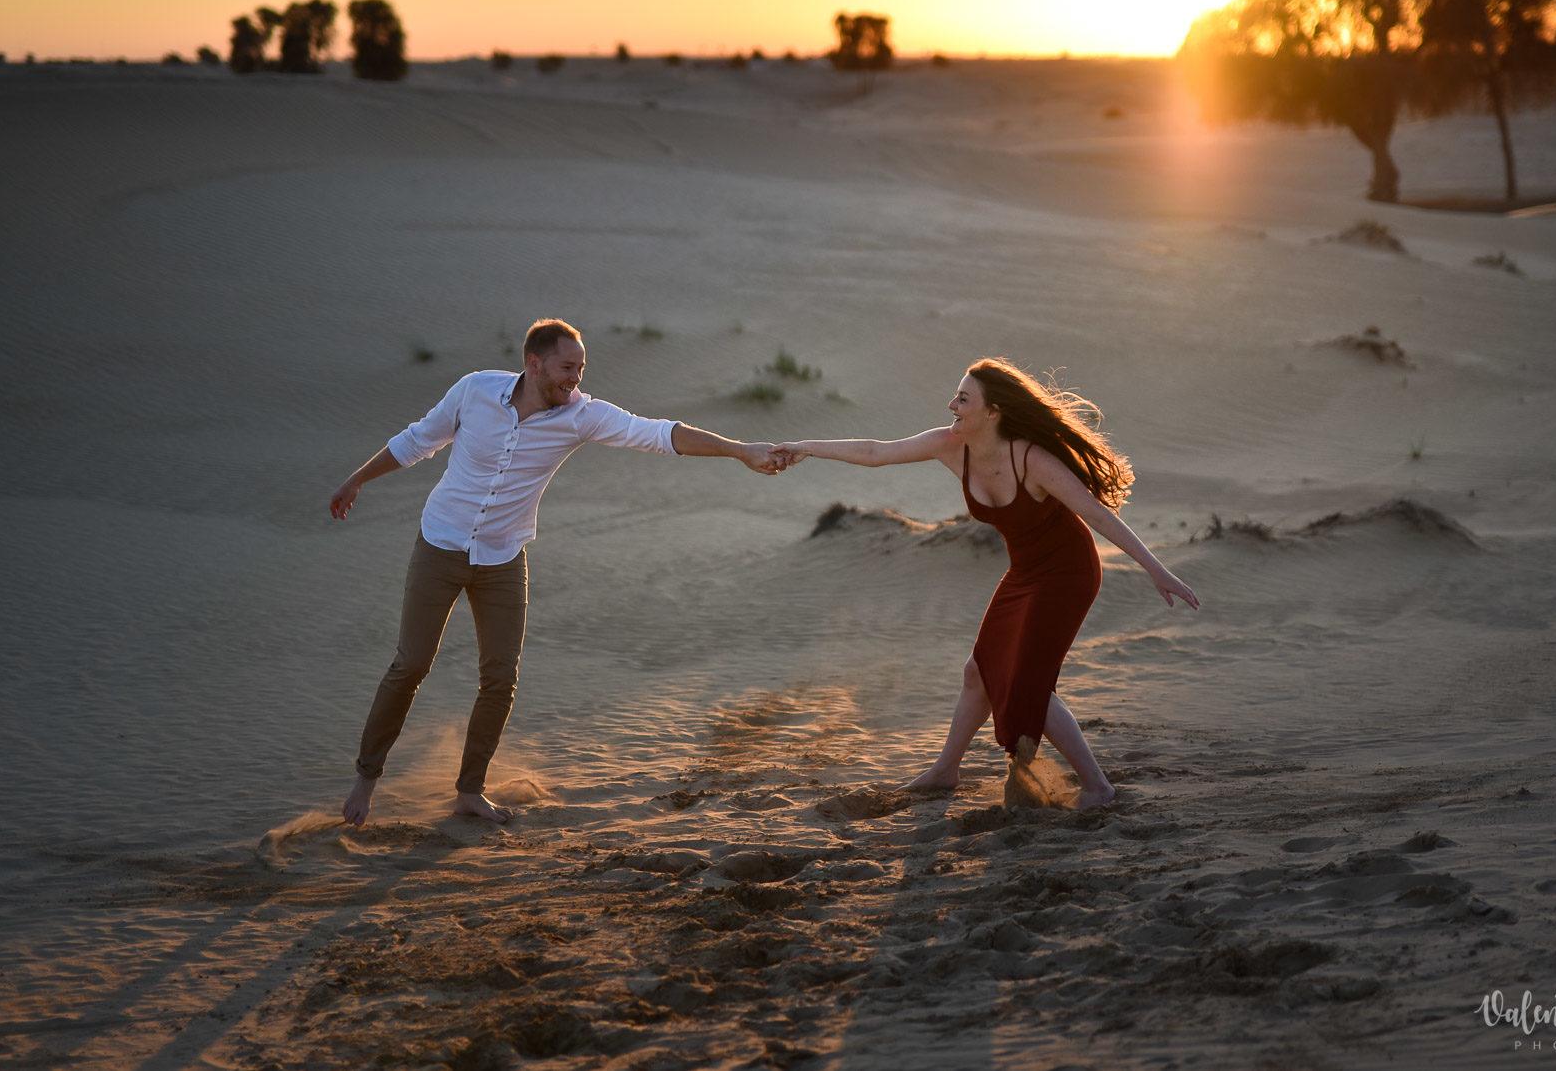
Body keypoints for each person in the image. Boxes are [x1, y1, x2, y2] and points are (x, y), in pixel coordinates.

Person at [330, 317, 787, 825]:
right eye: (567, 368)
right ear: (534, 364)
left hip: (504, 558)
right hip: (440, 545)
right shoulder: (474, 390)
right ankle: (365, 780)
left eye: (581, 369)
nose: (576, 379)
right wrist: (357, 480)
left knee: (500, 678)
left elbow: (661, 434)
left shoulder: (581, 416)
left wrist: (741, 450)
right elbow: (417, 441)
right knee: (411, 665)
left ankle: (468, 792)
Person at [776, 358, 1198, 809]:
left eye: (963, 399)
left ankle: (1099, 787)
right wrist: (803, 447)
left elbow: (1095, 514)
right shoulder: (949, 445)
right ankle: (946, 770)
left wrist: (1156, 569)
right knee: (978, 672)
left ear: (993, 412)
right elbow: (876, 452)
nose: (951, 405)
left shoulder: (1031, 459)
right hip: (1024, 572)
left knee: (1025, 683)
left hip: (1068, 573)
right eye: (956, 395)